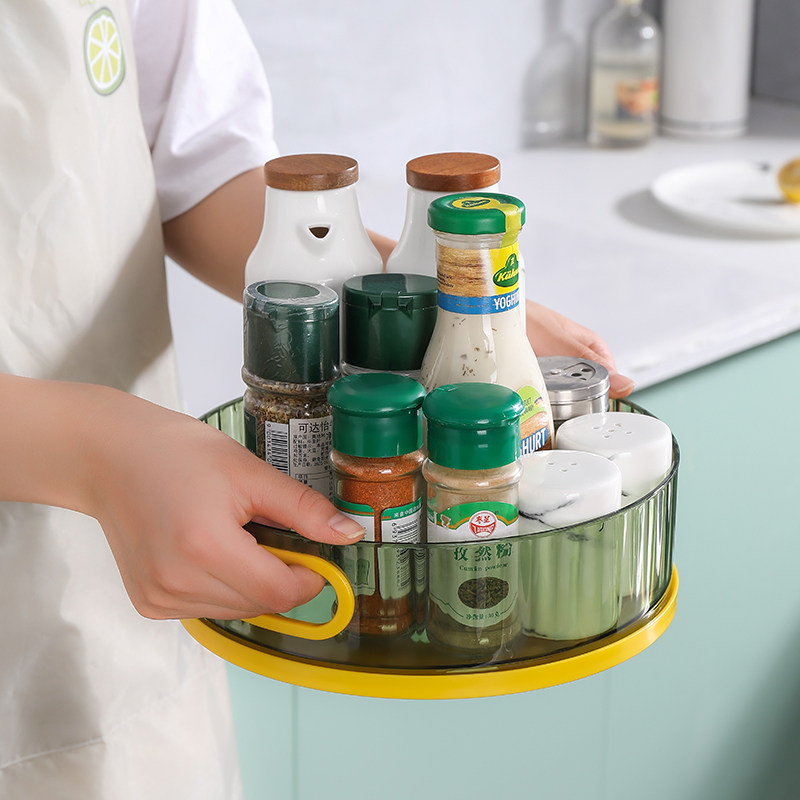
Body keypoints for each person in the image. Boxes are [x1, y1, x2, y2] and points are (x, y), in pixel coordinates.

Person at [0, 1, 633, 797]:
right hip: (130, 471)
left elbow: (197, 163)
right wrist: (94, 451)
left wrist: (458, 298)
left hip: (146, 550)